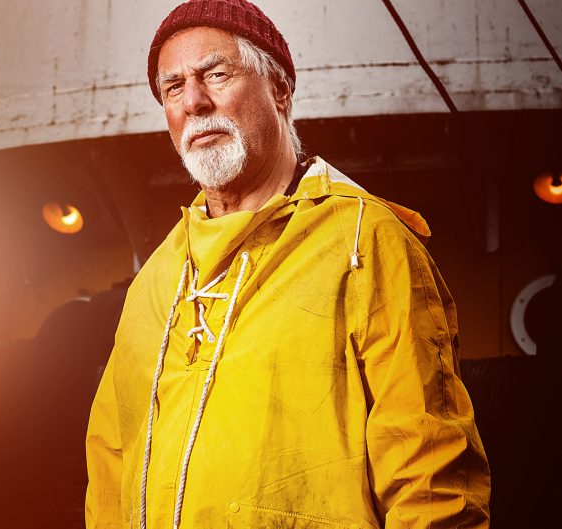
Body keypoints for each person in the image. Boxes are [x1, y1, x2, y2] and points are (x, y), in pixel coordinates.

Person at [85, 1, 491, 527]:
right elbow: (109, 469)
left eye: (216, 74)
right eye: (173, 87)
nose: (194, 102)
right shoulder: (154, 283)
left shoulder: (366, 243)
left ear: (280, 90)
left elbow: (432, 484)